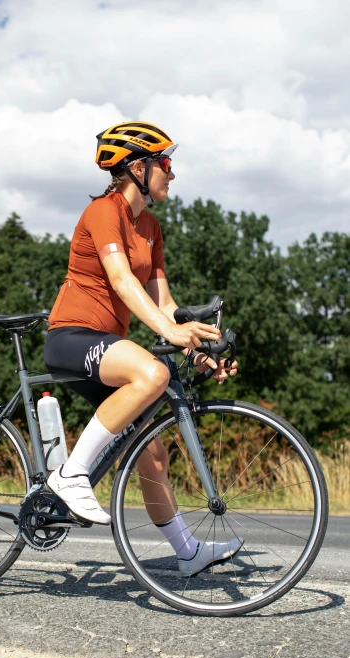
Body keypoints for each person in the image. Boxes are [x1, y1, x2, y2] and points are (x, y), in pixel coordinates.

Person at [44, 121, 241, 576]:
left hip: (108, 344)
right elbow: (121, 281)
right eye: (165, 164)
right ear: (138, 167)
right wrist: (168, 336)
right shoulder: (103, 212)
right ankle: (70, 476)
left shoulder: (149, 226)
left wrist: (198, 351)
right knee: (153, 373)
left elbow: (164, 304)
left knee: (152, 452)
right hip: (73, 337)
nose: (172, 174)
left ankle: (188, 553)